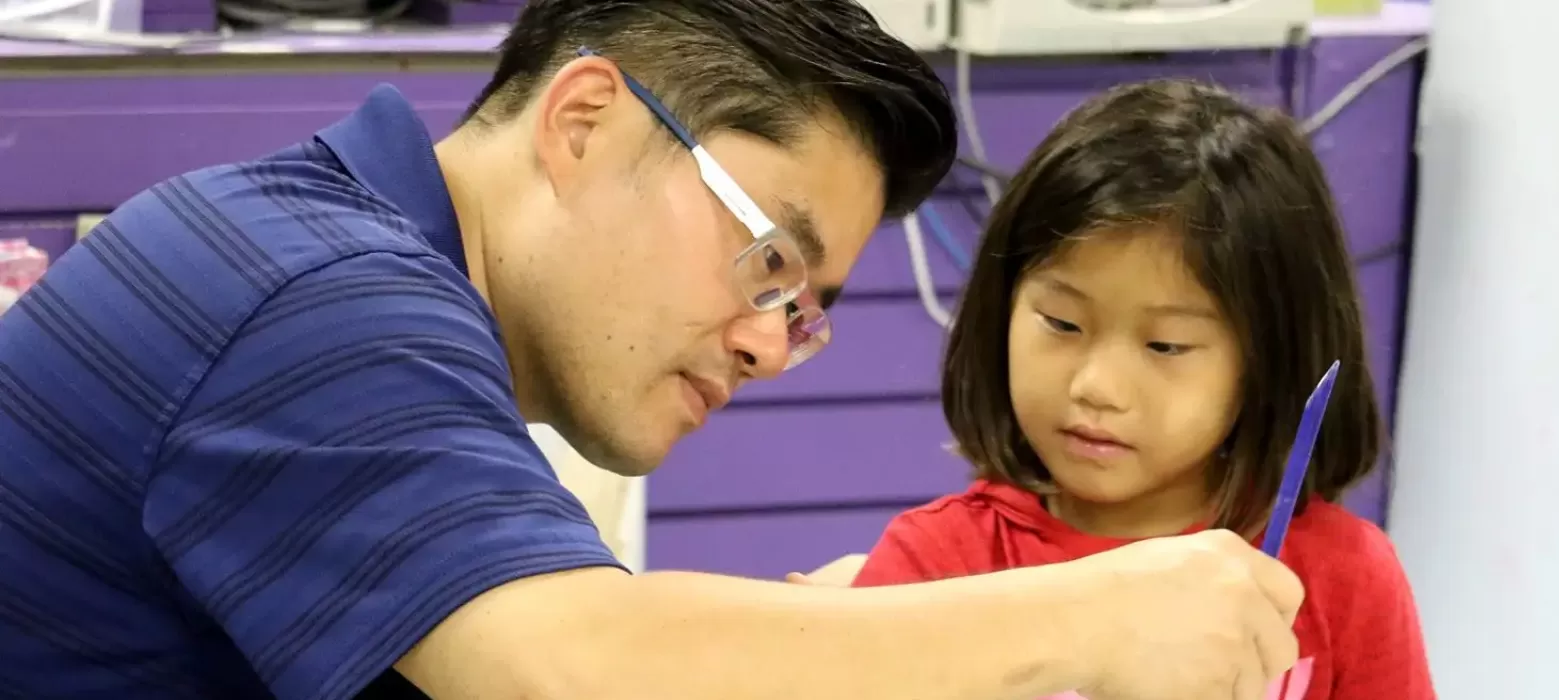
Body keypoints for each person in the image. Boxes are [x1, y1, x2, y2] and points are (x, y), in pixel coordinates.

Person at [0, 1, 1309, 698]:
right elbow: (564, 669)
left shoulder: (323, 246)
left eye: (803, 310)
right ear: (582, 122)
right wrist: (1091, 612)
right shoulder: (327, 297)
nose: (764, 341)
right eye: (769, 260)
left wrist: (819, 640)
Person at [852, 80, 1437, 700]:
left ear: (1270, 361)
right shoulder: (936, 564)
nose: (1097, 387)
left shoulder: (1343, 577)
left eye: (1166, 346)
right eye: (1063, 324)